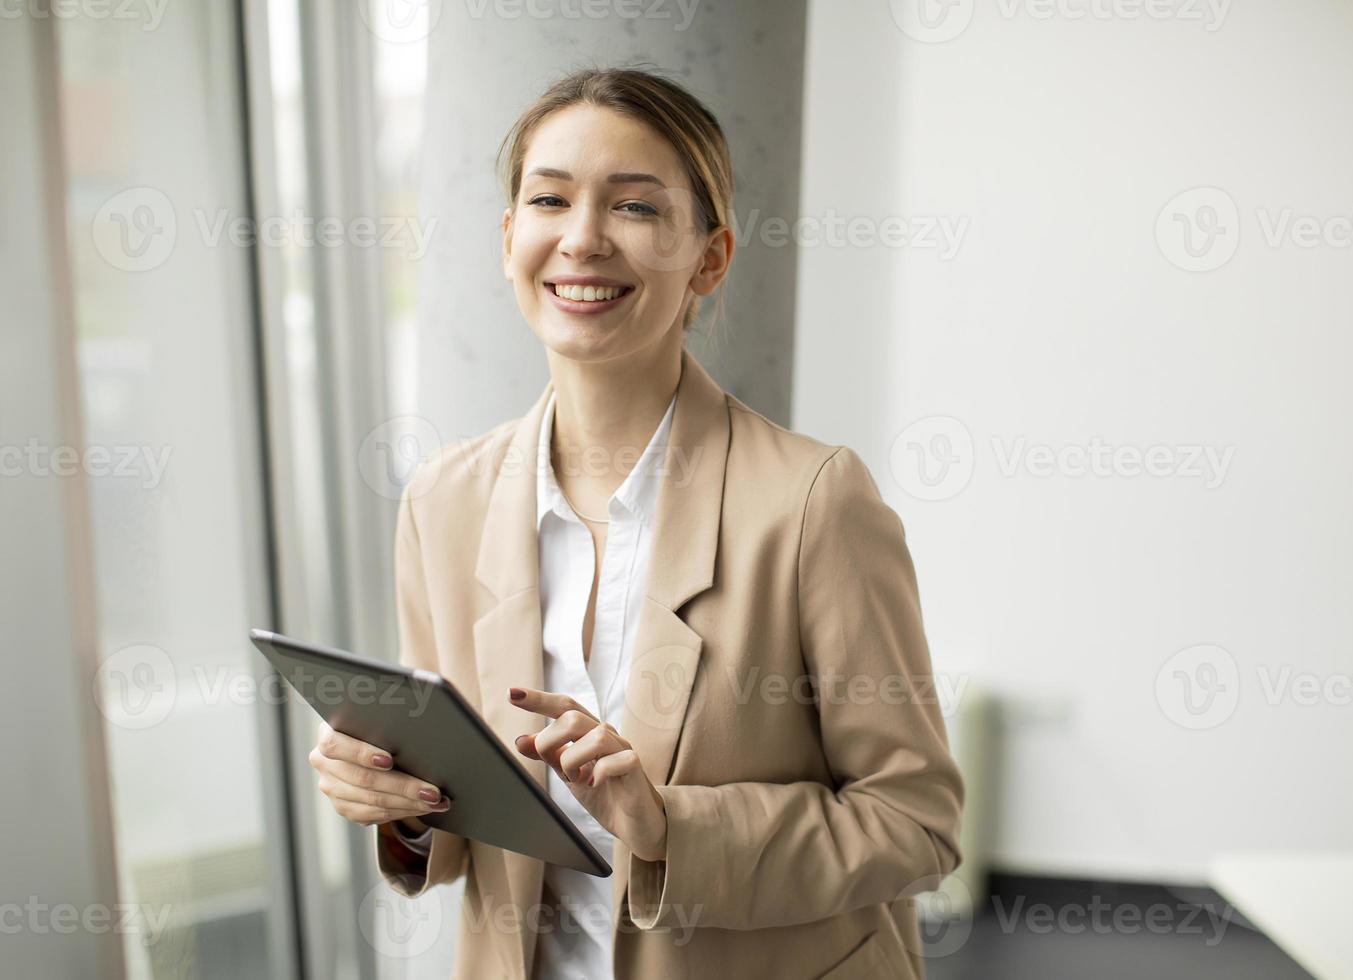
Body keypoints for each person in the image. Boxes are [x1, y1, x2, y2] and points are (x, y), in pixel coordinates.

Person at [309, 65, 963, 979]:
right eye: (549, 200)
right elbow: (464, 822)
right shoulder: (443, 501)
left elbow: (916, 823)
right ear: (509, 240)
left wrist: (669, 827)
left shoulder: (815, 501)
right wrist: (406, 805)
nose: (582, 240)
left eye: (636, 208)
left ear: (711, 257)